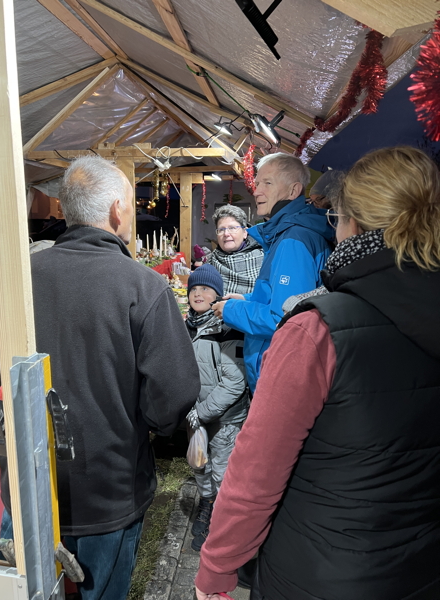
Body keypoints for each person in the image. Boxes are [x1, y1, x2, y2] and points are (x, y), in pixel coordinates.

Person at [195, 146, 440, 600]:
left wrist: (216, 568)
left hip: (318, 572)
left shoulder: (317, 329)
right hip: (419, 568)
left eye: (337, 219)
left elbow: (256, 475)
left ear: (353, 223)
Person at [0, 155, 200, 600]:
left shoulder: (20, 280)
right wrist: (149, 427)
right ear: (117, 210)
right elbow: (175, 391)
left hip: (28, 486)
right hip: (110, 486)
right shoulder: (143, 286)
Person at [212, 153, 334, 393]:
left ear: (293, 191)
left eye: (267, 183)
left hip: (282, 374)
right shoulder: (286, 234)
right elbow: (288, 297)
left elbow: (283, 318)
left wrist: (231, 310)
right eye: (257, 184)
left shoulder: (293, 240)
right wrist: (247, 299)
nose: (256, 191)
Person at [185, 264, 249, 552]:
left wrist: (202, 412)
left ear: (218, 296)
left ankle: (224, 530)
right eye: (194, 288)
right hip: (195, 417)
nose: (199, 293)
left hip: (224, 419)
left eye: (206, 289)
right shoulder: (185, 326)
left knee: (223, 471)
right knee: (199, 464)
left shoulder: (226, 328)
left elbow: (235, 383)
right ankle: (207, 504)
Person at [206, 205, 263, 295]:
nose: (226, 234)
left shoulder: (263, 259)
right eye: (221, 229)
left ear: (245, 232)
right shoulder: (210, 262)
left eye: (232, 228)